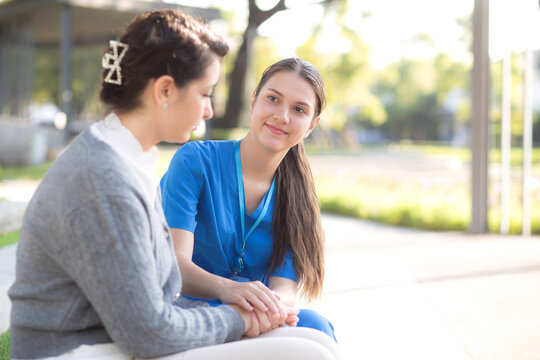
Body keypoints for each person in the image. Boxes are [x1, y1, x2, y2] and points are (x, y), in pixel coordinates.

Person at [8, 10, 340, 360]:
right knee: (311, 351)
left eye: (300, 110)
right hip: (80, 352)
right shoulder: (103, 182)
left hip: (119, 339)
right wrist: (236, 316)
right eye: (205, 93)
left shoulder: (128, 163)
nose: (210, 111)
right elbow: (149, 331)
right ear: (165, 90)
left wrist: (254, 311)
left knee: (317, 340)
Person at [160, 57, 336, 342]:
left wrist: (269, 308)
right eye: (273, 99)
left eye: (299, 109)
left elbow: (285, 289)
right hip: (187, 308)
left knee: (317, 327)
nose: (283, 116)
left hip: (256, 314)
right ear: (254, 101)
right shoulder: (196, 161)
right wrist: (230, 290)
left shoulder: (297, 196)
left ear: (312, 125)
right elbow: (174, 264)